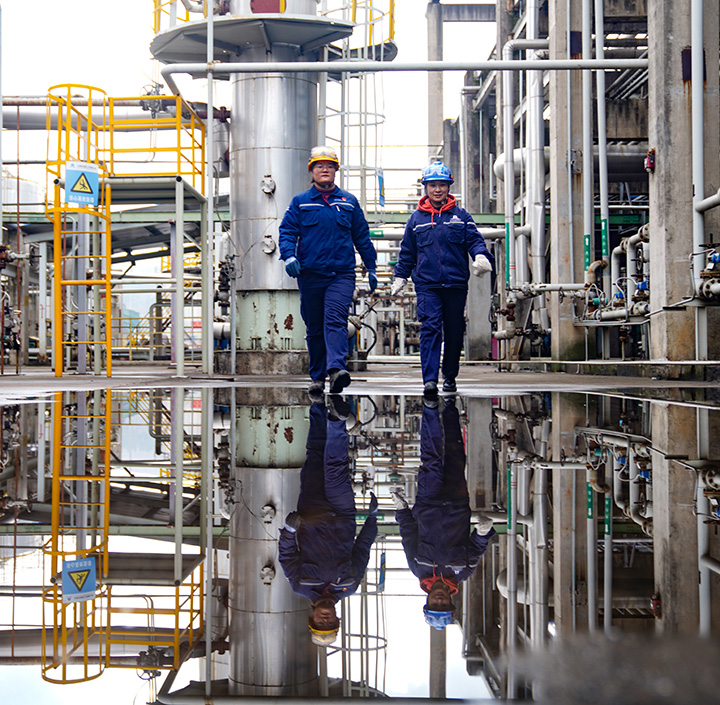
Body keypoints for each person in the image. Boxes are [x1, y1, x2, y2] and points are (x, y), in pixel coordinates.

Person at [278, 397, 378, 646]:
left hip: (311, 510)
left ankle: (318, 404)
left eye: (320, 623)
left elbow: (287, 556)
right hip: (342, 512)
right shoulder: (349, 586)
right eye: (330, 623)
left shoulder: (300, 585)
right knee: (335, 469)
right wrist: (372, 519)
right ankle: (336, 421)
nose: (325, 619)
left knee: (314, 456)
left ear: (311, 617)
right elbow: (362, 549)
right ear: (337, 619)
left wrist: (289, 532)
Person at [389, 397, 496, 631]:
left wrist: (401, 509)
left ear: (427, 601)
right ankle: (449, 406)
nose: (439, 600)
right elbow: (476, 548)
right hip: (457, 503)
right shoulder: (462, 573)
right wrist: (483, 533)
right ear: (450, 601)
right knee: (456, 454)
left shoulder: (418, 568)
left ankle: (430, 408)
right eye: (443, 604)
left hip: (428, 501)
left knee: (431, 459)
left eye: (435, 605)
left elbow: (408, 535)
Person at [279, 146, 378, 396]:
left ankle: (336, 370)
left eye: (330, 166)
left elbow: (362, 236)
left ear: (336, 170)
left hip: (340, 274)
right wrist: (289, 255)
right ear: (311, 171)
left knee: (335, 319)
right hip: (310, 274)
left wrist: (372, 266)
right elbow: (287, 231)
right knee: (314, 327)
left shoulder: (348, 202)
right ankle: (317, 377)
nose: (325, 169)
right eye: (320, 166)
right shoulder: (300, 202)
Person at [391, 161, 494, 396]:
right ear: (426, 187)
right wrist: (400, 275)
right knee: (430, 327)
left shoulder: (461, 216)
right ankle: (429, 380)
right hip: (427, 285)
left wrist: (480, 255)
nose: (437, 189)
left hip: (456, 284)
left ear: (449, 187)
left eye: (442, 185)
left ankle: (449, 376)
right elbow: (407, 252)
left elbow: (475, 240)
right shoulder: (416, 220)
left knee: (455, 331)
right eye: (433, 185)